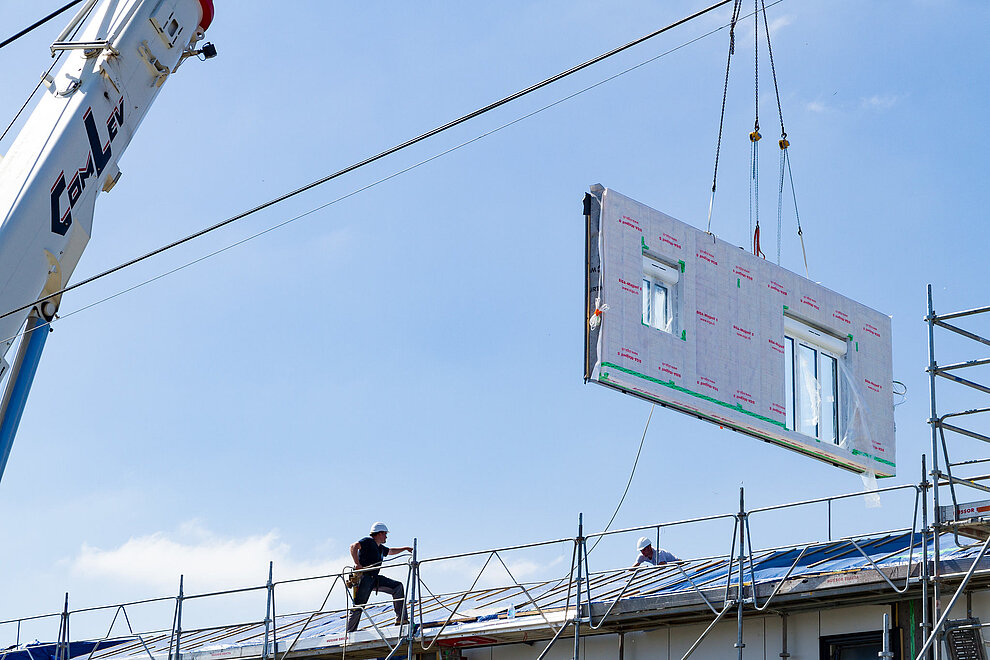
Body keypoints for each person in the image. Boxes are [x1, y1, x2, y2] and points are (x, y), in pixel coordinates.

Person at [346, 522, 413, 632]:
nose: (386, 536)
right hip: (365, 577)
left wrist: (405, 548)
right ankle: (350, 632)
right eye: (385, 534)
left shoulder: (380, 548)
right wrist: (357, 564)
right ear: (379, 533)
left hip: (374, 578)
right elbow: (353, 546)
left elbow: (390, 551)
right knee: (359, 605)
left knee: (397, 587)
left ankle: (401, 620)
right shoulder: (368, 542)